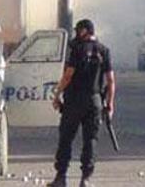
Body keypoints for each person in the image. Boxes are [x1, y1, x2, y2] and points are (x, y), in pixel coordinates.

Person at [47, 19, 115, 187]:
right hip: (94, 101)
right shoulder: (103, 50)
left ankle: (61, 177)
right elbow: (111, 81)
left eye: (78, 30)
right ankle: (85, 179)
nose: (76, 34)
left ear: (85, 31)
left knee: (66, 139)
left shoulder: (77, 49)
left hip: (74, 101)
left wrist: (57, 94)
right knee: (90, 140)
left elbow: (69, 74)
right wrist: (110, 104)